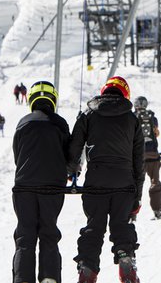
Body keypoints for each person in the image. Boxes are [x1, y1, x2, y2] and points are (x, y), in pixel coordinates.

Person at [68, 76, 144, 283]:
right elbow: (139, 163)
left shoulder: (88, 115)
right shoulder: (133, 119)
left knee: (94, 227)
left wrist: (71, 170)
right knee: (121, 225)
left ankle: (87, 269)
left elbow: (75, 146)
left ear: (104, 92)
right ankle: (125, 258)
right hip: (124, 183)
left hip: (96, 182)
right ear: (125, 93)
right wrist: (137, 197)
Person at [11, 81, 70, 283]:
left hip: (24, 187)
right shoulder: (60, 123)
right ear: (53, 100)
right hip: (53, 188)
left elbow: (17, 155)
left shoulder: (23, 122)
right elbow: (69, 156)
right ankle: (50, 277)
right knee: (49, 233)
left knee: (25, 236)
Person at [133, 96, 161, 220]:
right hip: (153, 155)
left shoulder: (132, 117)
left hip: (137, 156)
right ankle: (157, 211)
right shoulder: (153, 118)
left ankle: (132, 213)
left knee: (135, 184)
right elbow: (156, 133)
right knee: (155, 182)